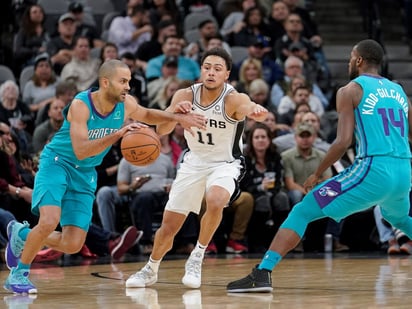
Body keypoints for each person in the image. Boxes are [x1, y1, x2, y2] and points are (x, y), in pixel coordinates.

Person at [3, 59, 207, 294]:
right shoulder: (82, 104)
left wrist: (178, 118)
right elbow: (81, 150)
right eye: (123, 81)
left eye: (129, 81)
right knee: (49, 221)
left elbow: (148, 114)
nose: (128, 87)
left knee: (73, 243)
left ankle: (22, 234)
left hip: (85, 173)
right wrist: (118, 134)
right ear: (105, 82)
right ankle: (19, 273)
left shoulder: (126, 104)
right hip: (57, 163)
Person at [226, 39, 412, 293]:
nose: (348, 61)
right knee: (396, 216)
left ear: (358, 60)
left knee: (303, 211)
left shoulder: (351, 90)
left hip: (373, 169)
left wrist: (316, 172)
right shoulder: (399, 90)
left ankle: (262, 273)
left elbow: (343, 141)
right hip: (403, 169)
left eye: (350, 56)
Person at [125, 47, 268, 289]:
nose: (211, 73)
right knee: (169, 227)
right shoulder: (184, 95)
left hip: (226, 163)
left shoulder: (234, 98)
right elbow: (162, 132)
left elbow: (249, 108)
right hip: (194, 162)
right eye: (207, 67)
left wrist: (255, 110)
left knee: (215, 198)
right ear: (200, 70)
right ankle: (151, 268)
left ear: (227, 75)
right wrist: (174, 114)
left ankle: (197, 257)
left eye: (217, 69)